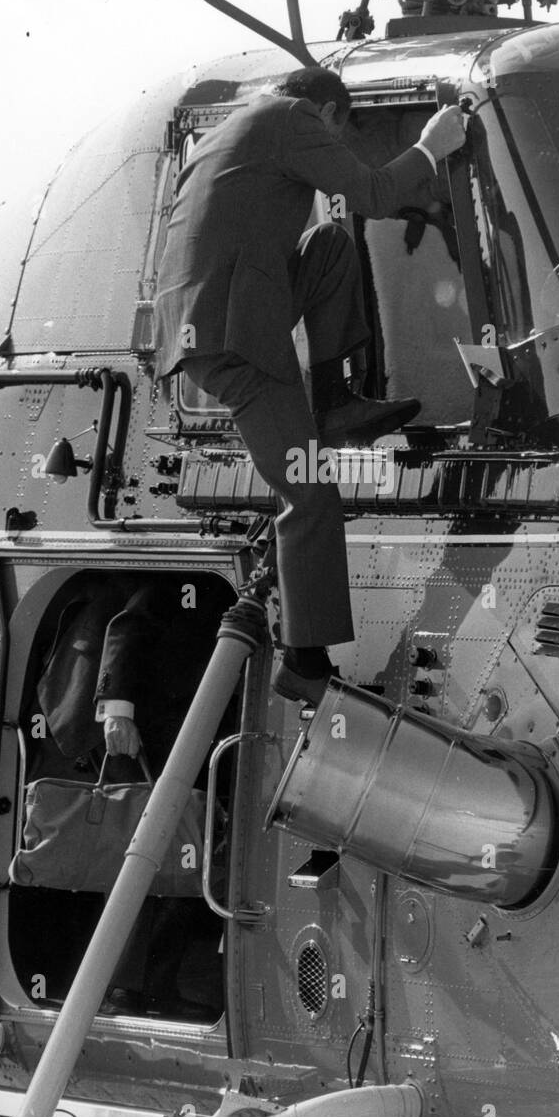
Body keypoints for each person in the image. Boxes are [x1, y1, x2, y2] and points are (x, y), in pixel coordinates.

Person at [154, 67, 466, 704]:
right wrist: (433, 145)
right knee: (310, 489)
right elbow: (374, 194)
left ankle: (335, 397)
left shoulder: (233, 128)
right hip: (232, 335)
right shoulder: (292, 119)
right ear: (327, 112)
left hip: (218, 316)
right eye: (340, 133)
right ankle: (303, 661)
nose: (334, 146)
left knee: (327, 246)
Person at [20, 573, 233, 1020]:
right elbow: (128, 623)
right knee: (135, 860)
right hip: (151, 741)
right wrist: (117, 710)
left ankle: (156, 987)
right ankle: (121, 984)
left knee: (178, 866)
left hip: (190, 739)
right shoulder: (190, 580)